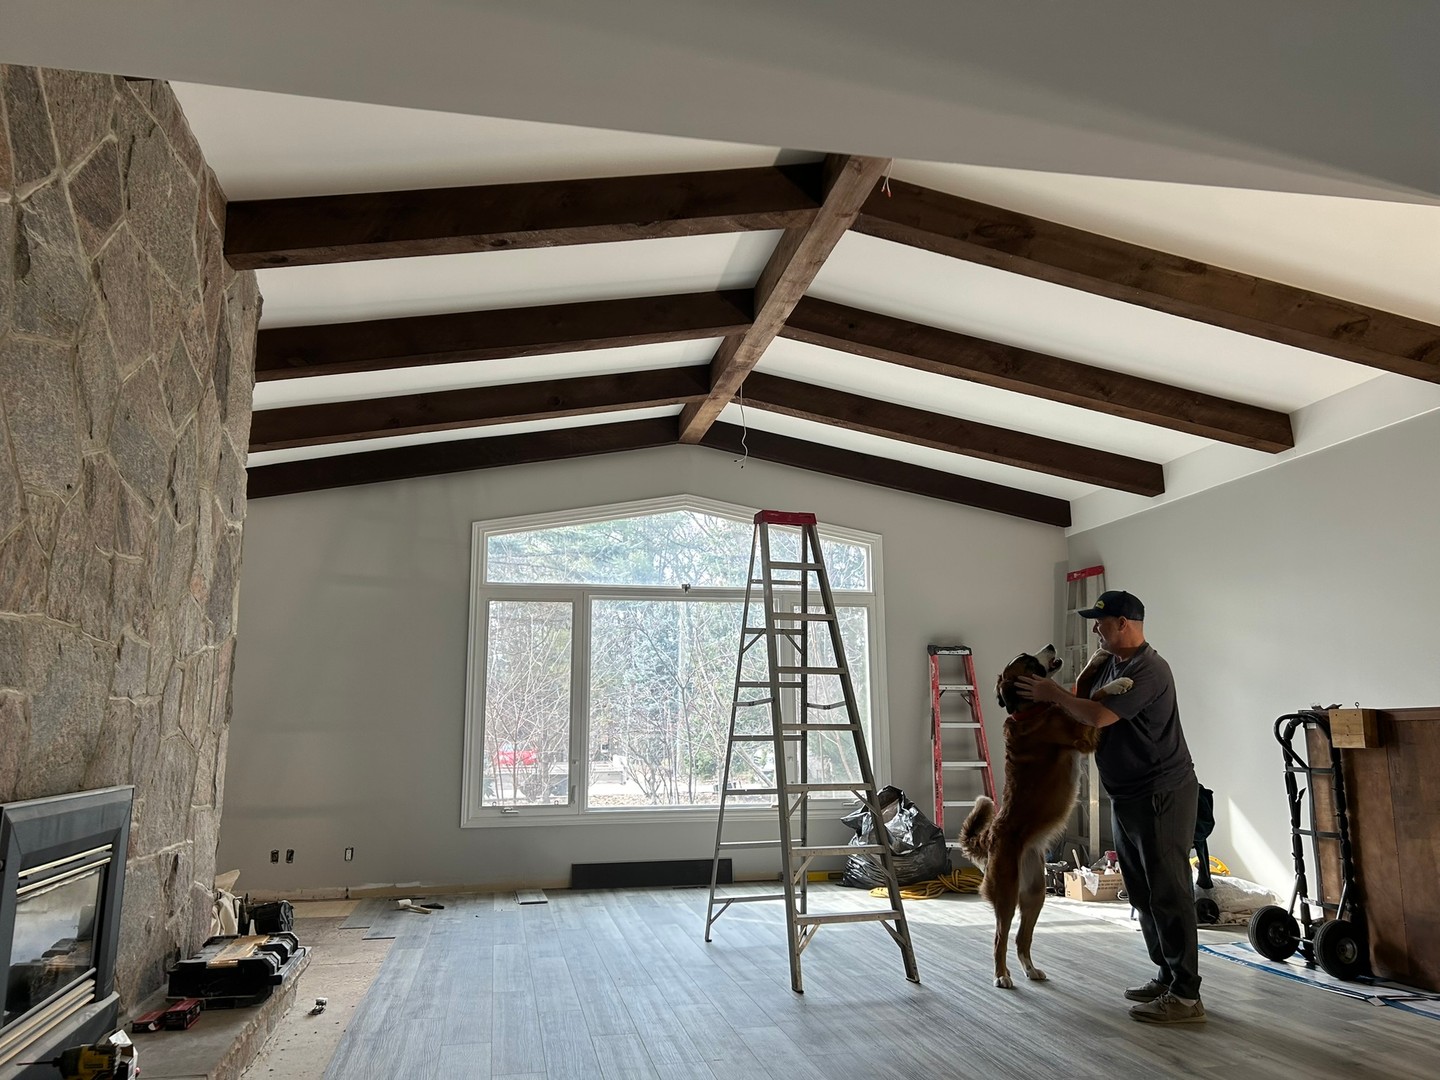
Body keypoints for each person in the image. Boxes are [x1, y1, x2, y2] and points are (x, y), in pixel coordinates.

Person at [1016, 589, 1204, 1025]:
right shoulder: (1113, 664)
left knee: (1169, 893)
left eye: (1101, 621)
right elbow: (1088, 703)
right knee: (1141, 894)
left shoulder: (1150, 670)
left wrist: (1051, 692)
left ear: (1124, 623)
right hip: (1128, 794)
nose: (1094, 627)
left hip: (1161, 792)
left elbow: (1098, 717)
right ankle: (1167, 975)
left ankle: (1187, 996)